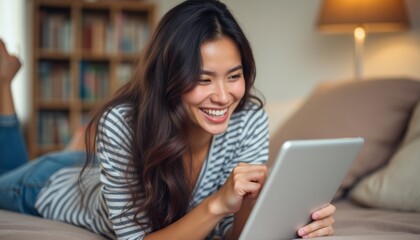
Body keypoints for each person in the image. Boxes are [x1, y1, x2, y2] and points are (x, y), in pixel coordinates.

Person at [0, 1, 336, 239]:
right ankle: (4, 84)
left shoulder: (248, 120)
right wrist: (217, 202)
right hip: (51, 183)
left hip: (101, 169)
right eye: (203, 79)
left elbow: (231, 231)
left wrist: (295, 221)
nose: (223, 96)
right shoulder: (121, 123)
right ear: (169, 78)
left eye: (234, 76)